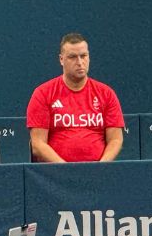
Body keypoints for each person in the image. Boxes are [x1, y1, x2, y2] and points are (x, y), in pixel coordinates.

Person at [27, 33, 124, 163]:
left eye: (83, 56)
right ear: (61, 59)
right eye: (72, 57)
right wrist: (67, 169)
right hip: (56, 174)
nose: (79, 62)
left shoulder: (106, 94)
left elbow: (116, 139)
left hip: (99, 172)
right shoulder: (43, 93)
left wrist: (101, 167)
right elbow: (38, 144)